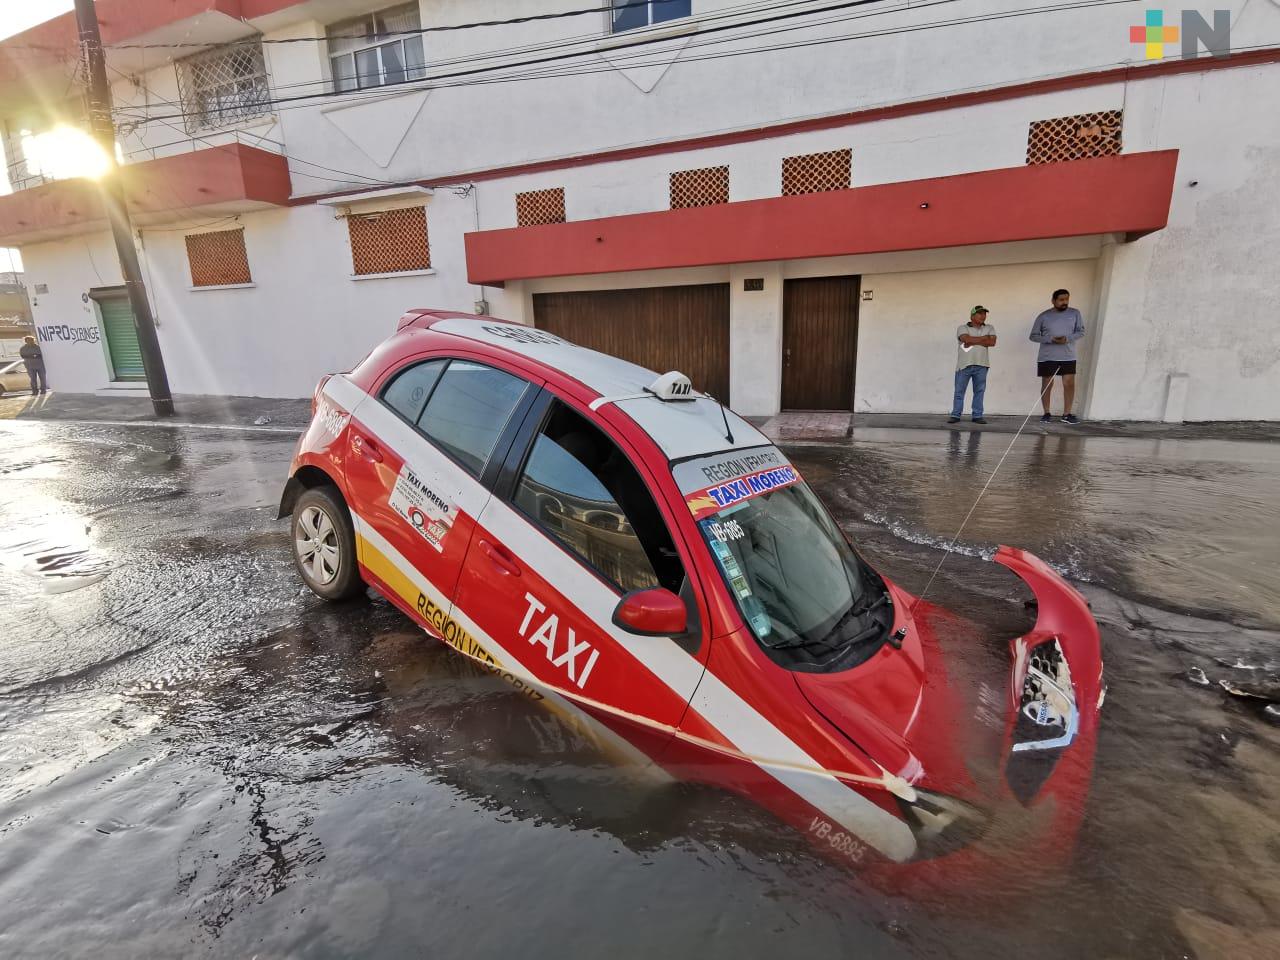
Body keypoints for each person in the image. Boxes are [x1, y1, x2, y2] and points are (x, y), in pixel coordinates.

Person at [1029, 289, 1085, 425]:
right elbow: (1033, 336)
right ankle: (1046, 413)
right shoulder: (1043, 316)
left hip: (1068, 355)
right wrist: (1050, 339)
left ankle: (1066, 414)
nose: (1064, 302)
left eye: (1066, 299)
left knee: (1069, 383)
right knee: (1047, 384)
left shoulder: (1075, 313)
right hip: (1048, 356)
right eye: (1061, 300)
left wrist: (1068, 338)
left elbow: (1081, 332)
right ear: (1053, 301)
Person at [948, 306, 996, 425]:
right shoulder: (962, 328)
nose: (983, 316)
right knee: (959, 391)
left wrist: (973, 340)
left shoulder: (990, 327)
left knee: (979, 391)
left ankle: (977, 415)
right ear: (972, 316)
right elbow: (965, 340)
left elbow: (992, 342)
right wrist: (984, 339)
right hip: (964, 365)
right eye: (980, 314)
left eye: (984, 314)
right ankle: (955, 415)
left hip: (982, 365)